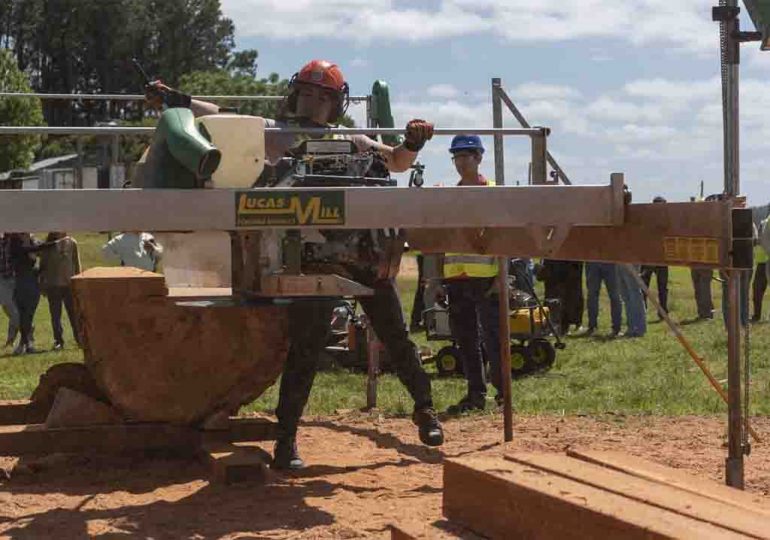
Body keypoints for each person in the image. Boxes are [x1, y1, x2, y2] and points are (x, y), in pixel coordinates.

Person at [147, 59, 443, 469]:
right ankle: (286, 443)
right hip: (311, 260)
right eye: (308, 94)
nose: (313, 104)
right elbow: (221, 116)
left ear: (334, 104)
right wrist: (177, 100)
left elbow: (395, 161)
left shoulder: (352, 139)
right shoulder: (273, 134)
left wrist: (413, 141)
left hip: (362, 255)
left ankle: (425, 410)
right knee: (306, 350)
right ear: (295, 95)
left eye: (321, 98)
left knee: (395, 336)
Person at [442, 134, 503, 413]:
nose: (460, 162)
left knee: (494, 338)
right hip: (456, 277)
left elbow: (505, 238)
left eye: (466, 156)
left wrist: (503, 277)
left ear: (479, 158)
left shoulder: (493, 192)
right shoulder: (450, 196)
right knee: (466, 340)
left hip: (486, 277)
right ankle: (475, 393)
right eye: (457, 157)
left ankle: (504, 392)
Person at [39, 232, 82, 350]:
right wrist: (42, 284)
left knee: (73, 314)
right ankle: (58, 341)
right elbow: (43, 265)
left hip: (69, 284)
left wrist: (78, 282)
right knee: (55, 315)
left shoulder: (72, 243)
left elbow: (77, 264)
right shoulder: (48, 245)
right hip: (53, 285)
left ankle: (79, 339)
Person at [8, 233, 43, 355]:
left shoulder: (35, 241)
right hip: (20, 283)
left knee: (29, 315)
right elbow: (18, 256)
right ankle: (26, 343)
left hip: (32, 283)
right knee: (23, 315)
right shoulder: (14, 243)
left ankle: (24, 344)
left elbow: (42, 252)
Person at [640, 196, 669, 318]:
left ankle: (663, 311)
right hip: (649, 258)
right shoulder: (648, 220)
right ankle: (643, 310)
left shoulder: (667, 220)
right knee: (644, 286)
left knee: (662, 287)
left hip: (662, 258)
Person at [584, 262, 622, 336]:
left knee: (615, 296)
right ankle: (592, 326)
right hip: (592, 261)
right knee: (592, 295)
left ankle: (616, 328)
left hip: (611, 261)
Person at [0, 233, 20, 349]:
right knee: (13, 313)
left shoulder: (15, 240)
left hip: (15, 279)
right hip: (2, 280)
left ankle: (12, 340)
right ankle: (12, 340)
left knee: (15, 312)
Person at [616, 264, 646, 337]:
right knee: (625, 295)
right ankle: (631, 328)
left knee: (634, 294)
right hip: (618, 262)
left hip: (631, 262)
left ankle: (639, 328)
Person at [751, 215, 770, 322]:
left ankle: (756, 315)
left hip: (767, 259)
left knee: (757, 289)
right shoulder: (764, 222)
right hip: (761, 261)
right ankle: (756, 315)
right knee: (757, 289)